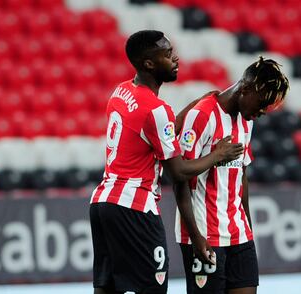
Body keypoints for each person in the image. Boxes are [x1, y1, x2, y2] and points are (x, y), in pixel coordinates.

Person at [89, 30, 244, 294]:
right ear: (149, 64)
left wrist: (193, 107)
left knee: (107, 287)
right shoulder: (156, 110)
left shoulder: (122, 91)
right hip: (135, 206)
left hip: (103, 203)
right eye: (168, 54)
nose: (176, 59)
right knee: (153, 288)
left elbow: (155, 131)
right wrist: (218, 155)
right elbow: (179, 171)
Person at [175, 56, 290, 294]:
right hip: (204, 234)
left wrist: (247, 229)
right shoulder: (202, 115)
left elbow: (242, 176)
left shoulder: (247, 121)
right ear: (245, 89)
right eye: (261, 104)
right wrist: (195, 238)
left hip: (239, 233)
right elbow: (179, 176)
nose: (262, 112)